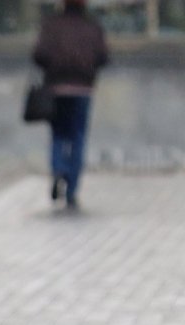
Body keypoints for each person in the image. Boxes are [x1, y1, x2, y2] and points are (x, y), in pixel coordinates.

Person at [32, 0, 109, 210]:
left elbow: (39, 55)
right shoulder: (92, 26)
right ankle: (72, 189)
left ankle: (58, 169)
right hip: (83, 88)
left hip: (56, 87)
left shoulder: (51, 25)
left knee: (58, 133)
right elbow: (103, 56)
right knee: (77, 136)